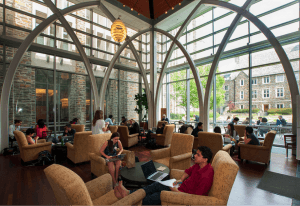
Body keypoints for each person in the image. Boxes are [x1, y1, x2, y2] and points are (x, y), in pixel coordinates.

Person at [114, 146, 214, 205]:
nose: (195, 156)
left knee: (158, 195)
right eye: (196, 153)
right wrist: (180, 180)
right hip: (180, 186)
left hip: (183, 194)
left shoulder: (206, 176)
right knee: (157, 184)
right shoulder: (198, 165)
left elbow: (196, 198)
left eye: (198, 155)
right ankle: (129, 193)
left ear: (205, 159)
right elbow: (188, 171)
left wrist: (176, 190)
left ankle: (131, 200)